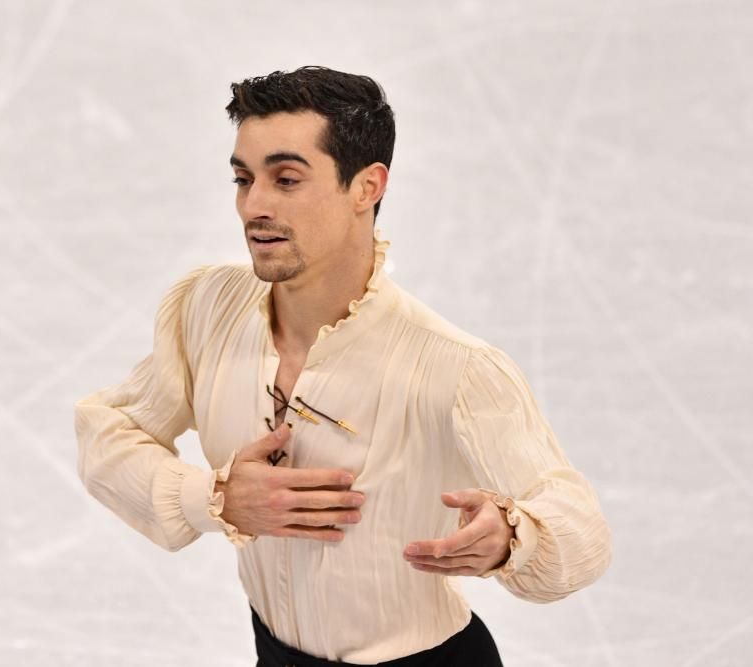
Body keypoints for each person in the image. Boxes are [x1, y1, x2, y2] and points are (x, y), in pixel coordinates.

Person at [74, 66, 611, 666]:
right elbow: (108, 433)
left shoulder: (456, 368)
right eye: (243, 178)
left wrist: (514, 538)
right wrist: (215, 498)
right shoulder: (209, 309)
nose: (254, 206)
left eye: (286, 179)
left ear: (367, 186)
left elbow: (580, 528)